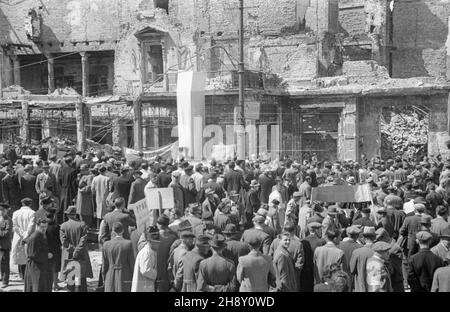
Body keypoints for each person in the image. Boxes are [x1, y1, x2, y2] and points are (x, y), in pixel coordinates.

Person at [59, 206, 93, 292]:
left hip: (69, 254)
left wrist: (72, 249)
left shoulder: (63, 226)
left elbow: (64, 241)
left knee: (70, 278)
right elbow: (83, 239)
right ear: (75, 214)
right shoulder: (82, 224)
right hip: (81, 254)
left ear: (67, 215)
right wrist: (77, 250)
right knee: (82, 278)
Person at [102, 222, 135, 292]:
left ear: (113, 231)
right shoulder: (128, 244)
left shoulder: (106, 244)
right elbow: (132, 264)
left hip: (110, 275)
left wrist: (104, 278)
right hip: (125, 275)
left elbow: (104, 266)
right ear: (123, 230)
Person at [23, 218, 52, 292]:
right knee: (36, 287)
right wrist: (47, 255)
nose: (44, 229)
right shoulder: (35, 237)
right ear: (37, 226)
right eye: (42, 227)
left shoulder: (41, 235)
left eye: (45, 227)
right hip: (35, 267)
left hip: (40, 266)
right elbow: (32, 254)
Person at [11, 198, 35, 279]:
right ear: (30, 204)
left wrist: (21, 234)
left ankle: (21, 274)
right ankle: (27, 274)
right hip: (29, 237)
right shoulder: (32, 213)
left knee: (19, 255)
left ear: (22, 204)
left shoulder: (15, 213)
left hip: (18, 236)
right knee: (27, 255)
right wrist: (26, 235)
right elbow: (31, 226)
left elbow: (15, 226)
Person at [131, 228, 159, 292]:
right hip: (143, 287)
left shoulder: (149, 251)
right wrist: (157, 274)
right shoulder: (147, 252)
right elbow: (145, 270)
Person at [349, 226, 376, 292]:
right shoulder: (379, 251)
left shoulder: (357, 252)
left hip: (360, 287)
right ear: (375, 238)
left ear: (363, 238)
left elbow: (352, 270)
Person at [0, 203, 12, 288]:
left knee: (5, 263)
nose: (1, 212)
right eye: (0, 210)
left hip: (4, 245)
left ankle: (5, 281)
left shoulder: (8, 220)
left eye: (2, 210)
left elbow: (7, 233)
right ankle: (2, 277)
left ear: (6, 211)